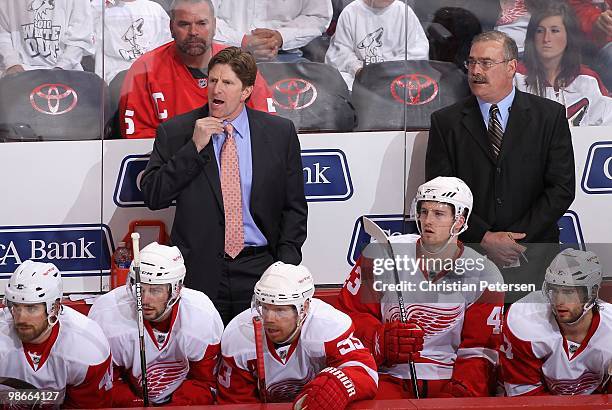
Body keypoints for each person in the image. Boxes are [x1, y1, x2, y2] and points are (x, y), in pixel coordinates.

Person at [141, 46, 307, 325]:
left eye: (227, 83)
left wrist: (284, 265)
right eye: (213, 81)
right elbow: (154, 194)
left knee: (254, 356)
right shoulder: (177, 132)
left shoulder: (279, 133)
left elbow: (294, 207)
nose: (216, 89)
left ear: (246, 91)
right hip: (200, 270)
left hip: (260, 268)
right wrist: (193, 147)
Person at [426, 31, 574, 295]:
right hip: (470, 255)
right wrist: (484, 237)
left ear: (511, 67)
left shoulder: (549, 116)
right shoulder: (445, 122)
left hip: (534, 253)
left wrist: (514, 240)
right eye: (471, 63)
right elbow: (440, 195)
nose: (476, 71)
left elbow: (561, 188)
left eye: (485, 63)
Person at [337, 176, 505, 398]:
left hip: (449, 380)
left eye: (439, 214)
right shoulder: (381, 254)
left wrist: (461, 396)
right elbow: (347, 317)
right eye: (424, 211)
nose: (428, 221)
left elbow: (480, 351)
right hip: (387, 375)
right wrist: (379, 339)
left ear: (460, 220)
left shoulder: (485, 274)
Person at [217, 262, 378, 408]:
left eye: (280, 310)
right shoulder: (239, 336)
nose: (269, 319)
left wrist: (340, 383)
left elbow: (367, 372)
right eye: (265, 307)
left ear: (304, 308)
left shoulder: (326, 325)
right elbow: (236, 403)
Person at [88, 242, 223, 406]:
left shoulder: (202, 314)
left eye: (155, 290)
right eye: (140, 289)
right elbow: (104, 385)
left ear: (177, 289)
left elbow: (205, 383)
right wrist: (136, 404)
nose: (144, 300)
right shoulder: (107, 313)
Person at [118, 0, 273, 138]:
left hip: (232, 161)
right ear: (171, 28)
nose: (193, 32)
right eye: (184, 24)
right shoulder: (145, 69)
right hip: (174, 165)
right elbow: (137, 138)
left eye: (201, 23)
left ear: (214, 26)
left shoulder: (240, 64)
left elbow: (266, 129)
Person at [0, 260, 112, 408]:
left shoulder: (87, 348)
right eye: (16, 307)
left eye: (31, 308)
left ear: (55, 308)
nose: (20, 318)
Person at [501, 249, 612, 395]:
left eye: (568, 292)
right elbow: (525, 399)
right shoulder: (525, 320)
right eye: (554, 290)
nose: (559, 301)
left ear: (591, 293)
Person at [515, 3, 612, 126]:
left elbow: (608, 121)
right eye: (540, 31)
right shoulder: (516, 77)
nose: (546, 38)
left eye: (554, 31)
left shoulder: (588, 79)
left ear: (569, 36)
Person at [325, 0, 429, 90]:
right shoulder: (350, 12)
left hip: (397, 80)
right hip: (360, 80)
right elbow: (340, 54)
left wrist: (390, 70)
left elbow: (417, 53)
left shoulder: (404, 12)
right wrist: (358, 70)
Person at [213, 0, 333, 61]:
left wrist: (281, 37)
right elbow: (201, 17)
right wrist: (242, 41)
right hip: (226, 53)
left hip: (285, 55)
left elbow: (318, 15)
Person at [0, 0, 94, 75]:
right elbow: (3, 33)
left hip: (67, 72)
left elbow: (80, 37)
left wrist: (62, 67)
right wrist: (12, 63)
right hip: (20, 72)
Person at [91, 0, 172, 83]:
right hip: (111, 82)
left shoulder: (155, 10)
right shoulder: (99, 7)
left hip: (151, 81)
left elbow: (166, 52)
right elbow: (86, 45)